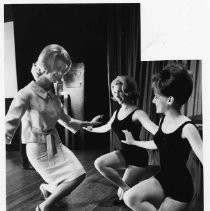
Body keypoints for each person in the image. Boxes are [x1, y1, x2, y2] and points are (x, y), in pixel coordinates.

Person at [5, 44, 102, 211]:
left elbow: (67, 120)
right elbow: (9, 124)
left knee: (74, 176)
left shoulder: (53, 97)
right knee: (76, 175)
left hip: (53, 144)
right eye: (59, 71)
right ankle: (44, 206)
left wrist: (88, 123)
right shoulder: (25, 94)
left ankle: (48, 188)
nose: (62, 77)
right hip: (37, 148)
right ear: (45, 67)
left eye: (64, 72)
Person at [121, 63, 203, 211]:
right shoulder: (163, 119)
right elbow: (158, 143)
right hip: (163, 178)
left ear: (170, 100)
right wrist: (134, 142)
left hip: (181, 188)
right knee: (130, 197)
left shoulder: (188, 127)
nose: (153, 101)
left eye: (157, 97)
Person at [85, 75, 159, 204]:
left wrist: (174, 129)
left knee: (122, 197)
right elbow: (107, 127)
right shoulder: (117, 112)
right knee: (99, 163)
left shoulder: (138, 113)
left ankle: (138, 191)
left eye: (120, 91)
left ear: (128, 92)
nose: (117, 95)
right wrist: (91, 129)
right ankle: (126, 187)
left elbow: (156, 130)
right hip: (124, 154)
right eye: (114, 92)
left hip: (138, 158)